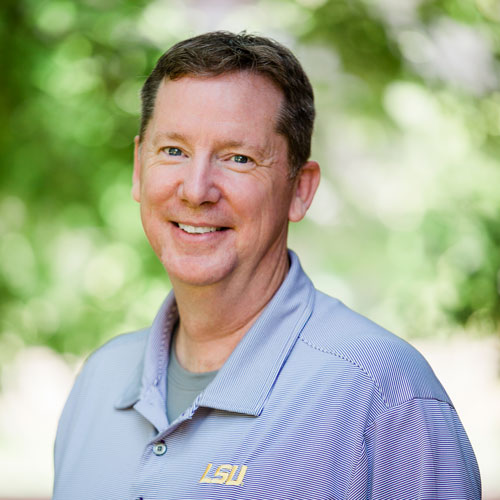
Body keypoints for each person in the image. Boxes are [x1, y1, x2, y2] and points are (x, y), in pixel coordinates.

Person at [53, 31, 481, 500]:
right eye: (174, 151)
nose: (196, 190)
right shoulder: (99, 381)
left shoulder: (382, 393)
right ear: (139, 168)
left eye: (239, 158)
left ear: (300, 189)